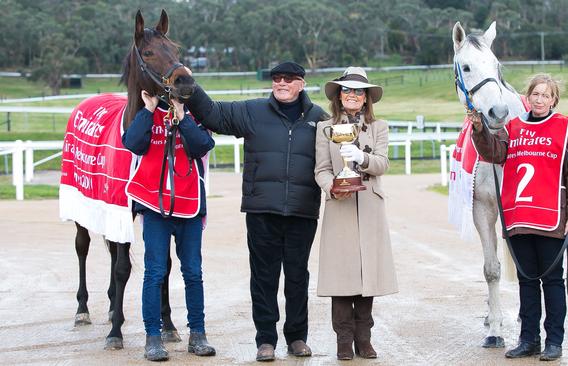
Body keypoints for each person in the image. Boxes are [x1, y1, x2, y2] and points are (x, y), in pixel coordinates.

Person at [182, 61, 328, 362]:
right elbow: (213, 113)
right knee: (264, 277)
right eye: (276, 78)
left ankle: (297, 337)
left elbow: (336, 157)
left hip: (302, 210)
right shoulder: (253, 112)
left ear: (301, 83)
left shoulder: (320, 118)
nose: (281, 83)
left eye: (288, 79)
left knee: (298, 276)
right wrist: (190, 86)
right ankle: (266, 341)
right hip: (262, 209)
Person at [470, 73, 568, 361]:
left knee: (552, 281)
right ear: (528, 97)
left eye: (545, 95)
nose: (539, 99)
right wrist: (480, 131)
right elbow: (494, 153)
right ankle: (528, 339)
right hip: (520, 217)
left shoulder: (565, 128)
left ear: (553, 100)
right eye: (535, 94)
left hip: (551, 218)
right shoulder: (513, 126)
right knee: (526, 282)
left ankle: (554, 341)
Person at [122, 91, 216, 361]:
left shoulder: (194, 117)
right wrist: (149, 109)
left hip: (189, 206)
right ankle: (153, 337)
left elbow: (201, 146)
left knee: (193, 272)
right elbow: (133, 143)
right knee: (155, 273)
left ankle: (197, 333)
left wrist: (182, 115)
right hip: (154, 206)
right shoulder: (147, 116)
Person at [315, 67, 398, 361]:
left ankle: (364, 338)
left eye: (358, 91)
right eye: (347, 90)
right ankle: (343, 340)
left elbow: (383, 163)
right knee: (341, 278)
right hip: (341, 207)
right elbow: (321, 169)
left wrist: (361, 158)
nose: (352, 95)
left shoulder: (379, 127)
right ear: (339, 95)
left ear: (366, 98)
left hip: (371, 208)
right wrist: (332, 188)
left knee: (367, 277)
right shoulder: (325, 127)